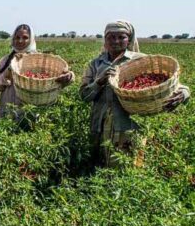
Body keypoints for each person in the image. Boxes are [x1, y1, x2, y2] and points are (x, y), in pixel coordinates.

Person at [79, 20, 189, 166]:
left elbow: (172, 85)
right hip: (99, 125)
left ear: (129, 39)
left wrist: (184, 93)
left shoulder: (140, 61)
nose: (116, 41)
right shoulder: (95, 64)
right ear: (105, 39)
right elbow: (84, 96)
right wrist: (99, 82)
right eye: (111, 37)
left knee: (127, 166)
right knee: (98, 166)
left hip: (128, 127)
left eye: (121, 37)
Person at [0, 24, 74, 118]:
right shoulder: (4, 60)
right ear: (13, 39)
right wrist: (6, 74)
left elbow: (58, 78)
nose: (20, 41)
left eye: (25, 37)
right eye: (17, 37)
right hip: (7, 108)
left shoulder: (38, 59)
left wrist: (69, 76)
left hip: (30, 112)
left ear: (31, 39)